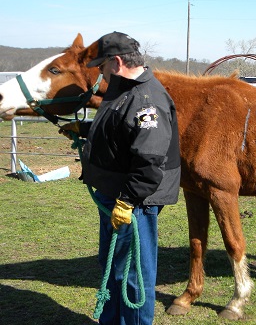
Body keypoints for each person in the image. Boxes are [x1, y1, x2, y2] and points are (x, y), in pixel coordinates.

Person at [60, 31, 181, 325]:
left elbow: (149, 162)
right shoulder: (124, 90)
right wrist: (87, 130)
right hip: (115, 195)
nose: (100, 71)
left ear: (116, 62)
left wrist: (127, 201)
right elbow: (122, 132)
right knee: (113, 267)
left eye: (102, 65)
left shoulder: (146, 100)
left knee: (132, 276)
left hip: (133, 201)